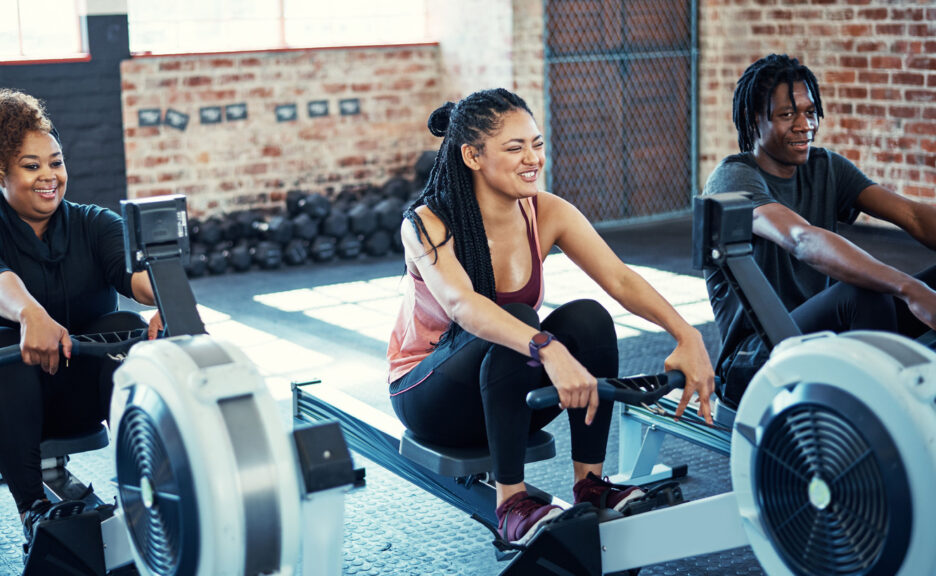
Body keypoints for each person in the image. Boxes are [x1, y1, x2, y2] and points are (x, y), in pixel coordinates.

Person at [387, 88, 715, 545]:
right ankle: (511, 504)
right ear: (473, 156)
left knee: (589, 319)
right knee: (518, 317)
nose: (533, 158)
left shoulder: (546, 212)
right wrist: (546, 347)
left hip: (504, 395)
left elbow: (620, 279)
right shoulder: (427, 223)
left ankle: (591, 485)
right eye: (515, 147)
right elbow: (464, 306)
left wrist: (687, 336)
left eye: (537, 144)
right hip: (429, 396)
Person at [0, 89, 162, 549]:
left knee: (125, 329)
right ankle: (32, 512)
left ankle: (150, 487)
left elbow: (133, 273)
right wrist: (29, 315)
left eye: (55, 162)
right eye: (31, 165)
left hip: (73, 395)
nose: (49, 176)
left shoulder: (94, 224)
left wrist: (167, 295)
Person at [703, 54, 936, 407]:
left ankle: (889, 406)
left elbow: (913, 216)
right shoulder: (732, 178)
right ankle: (882, 419)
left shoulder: (824, 167)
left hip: (825, 339)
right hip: (755, 361)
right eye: (787, 115)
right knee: (862, 293)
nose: (804, 125)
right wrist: (908, 287)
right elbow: (801, 239)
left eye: (810, 112)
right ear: (754, 120)